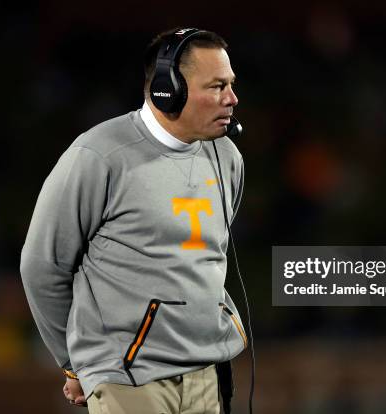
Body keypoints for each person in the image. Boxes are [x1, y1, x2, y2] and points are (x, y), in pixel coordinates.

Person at [20, 27, 247, 414]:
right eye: (216, 86)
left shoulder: (226, 157)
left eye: (231, 84)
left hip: (207, 371)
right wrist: (77, 366)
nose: (232, 99)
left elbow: (212, 255)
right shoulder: (98, 155)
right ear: (167, 89)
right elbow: (42, 267)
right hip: (127, 374)